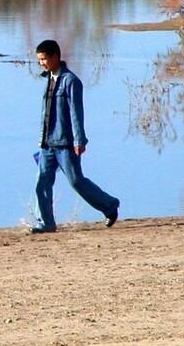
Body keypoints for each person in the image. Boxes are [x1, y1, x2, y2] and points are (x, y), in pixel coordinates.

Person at [30, 40, 120, 234]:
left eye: (44, 59)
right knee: (42, 182)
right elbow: (46, 114)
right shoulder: (49, 78)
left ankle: (109, 206)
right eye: (39, 60)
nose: (41, 63)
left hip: (66, 143)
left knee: (76, 182)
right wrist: (41, 139)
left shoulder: (71, 81)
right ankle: (46, 223)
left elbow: (76, 113)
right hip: (47, 144)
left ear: (55, 56)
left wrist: (79, 140)